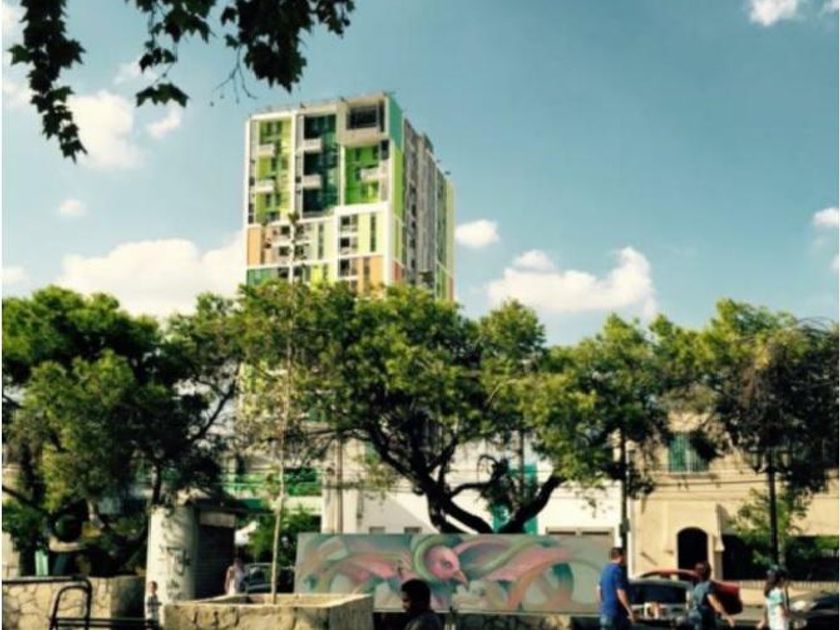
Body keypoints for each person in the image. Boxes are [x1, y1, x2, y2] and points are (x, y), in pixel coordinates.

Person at [596, 546, 636, 630]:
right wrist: (630, 611)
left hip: (605, 614)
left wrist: (602, 606)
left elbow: (598, 589)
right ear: (621, 557)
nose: (626, 558)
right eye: (625, 556)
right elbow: (620, 592)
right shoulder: (618, 571)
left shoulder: (605, 570)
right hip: (617, 615)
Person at [688, 561, 734, 630]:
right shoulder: (708, 585)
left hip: (696, 616)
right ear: (708, 572)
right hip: (706, 618)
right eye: (710, 570)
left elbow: (691, 601)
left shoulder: (696, 586)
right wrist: (728, 617)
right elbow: (714, 602)